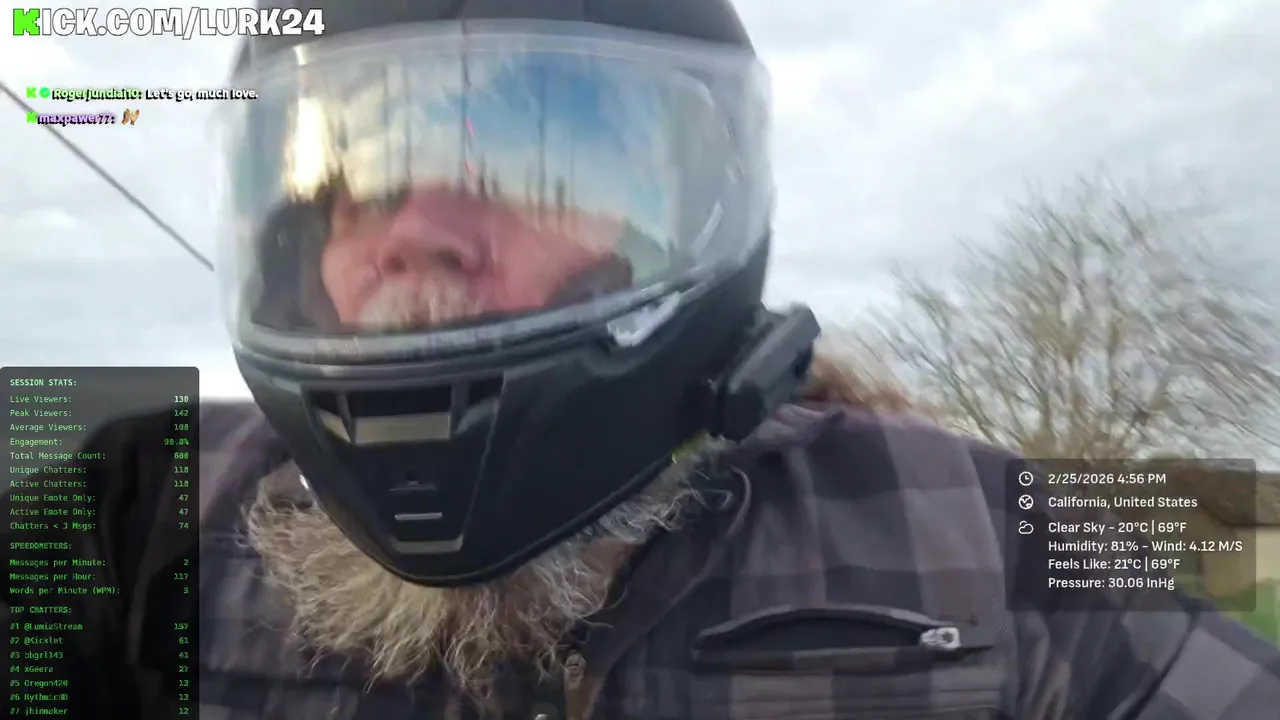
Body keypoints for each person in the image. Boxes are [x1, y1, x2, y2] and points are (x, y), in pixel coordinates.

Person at [4, 0, 1278, 718]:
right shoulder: (146, 513)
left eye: (521, 170)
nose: (414, 234)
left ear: (689, 213)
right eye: (356, 185)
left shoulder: (979, 532)